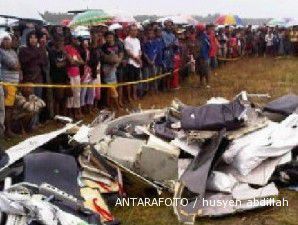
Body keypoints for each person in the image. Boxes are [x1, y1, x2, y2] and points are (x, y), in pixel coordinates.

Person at [19, 30, 45, 130]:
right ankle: (30, 125)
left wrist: (36, 57)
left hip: (39, 79)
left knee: (38, 101)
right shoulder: (23, 50)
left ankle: (36, 122)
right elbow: (24, 61)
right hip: (28, 79)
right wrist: (35, 56)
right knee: (30, 103)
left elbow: (43, 62)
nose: (33, 39)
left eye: (35, 37)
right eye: (31, 37)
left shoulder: (40, 49)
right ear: (27, 39)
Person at [0, 33, 20, 137]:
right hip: (6, 83)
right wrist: (15, 66)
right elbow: (13, 66)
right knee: (7, 108)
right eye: (5, 40)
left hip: (14, 83)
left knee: (11, 107)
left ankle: (9, 129)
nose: (7, 42)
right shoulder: (1, 52)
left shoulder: (13, 51)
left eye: (9, 40)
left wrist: (16, 66)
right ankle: (7, 131)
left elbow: (18, 65)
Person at [101, 31, 123, 110]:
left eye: (111, 37)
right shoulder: (103, 47)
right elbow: (104, 58)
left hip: (115, 67)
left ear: (113, 37)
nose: (109, 39)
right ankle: (116, 106)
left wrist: (117, 61)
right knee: (111, 88)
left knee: (113, 87)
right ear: (105, 38)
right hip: (107, 68)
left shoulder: (118, 44)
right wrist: (113, 59)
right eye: (107, 37)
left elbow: (120, 54)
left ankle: (110, 105)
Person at [64, 36, 84, 120]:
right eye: (75, 39)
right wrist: (76, 62)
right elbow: (71, 61)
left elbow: (82, 61)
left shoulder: (76, 50)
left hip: (77, 74)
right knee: (70, 94)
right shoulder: (67, 48)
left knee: (77, 94)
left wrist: (75, 62)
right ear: (72, 39)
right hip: (70, 74)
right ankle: (70, 113)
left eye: (77, 40)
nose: (77, 41)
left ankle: (76, 111)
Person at [48, 36, 69, 116]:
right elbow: (57, 65)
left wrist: (65, 55)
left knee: (65, 98)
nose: (61, 43)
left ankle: (64, 115)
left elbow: (70, 61)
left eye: (62, 42)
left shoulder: (63, 52)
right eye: (59, 41)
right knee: (58, 98)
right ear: (55, 42)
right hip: (57, 78)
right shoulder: (52, 52)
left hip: (65, 77)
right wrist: (65, 62)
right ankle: (57, 116)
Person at [124, 24, 142, 101]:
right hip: (130, 63)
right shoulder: (127, 40)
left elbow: (139, 51)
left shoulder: (137, 40)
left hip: (137, 63)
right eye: (133, 30)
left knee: (135, 81)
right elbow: (128, 52)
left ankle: (134, 94)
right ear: (129, 31)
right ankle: (129, 96)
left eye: (136, 30)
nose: (135, 32)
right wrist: (137, 60)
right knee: (129, 81)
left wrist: (139, 58)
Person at [79, 38, 94, 114]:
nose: (86, 44)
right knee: (83, 92)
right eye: (84, 43)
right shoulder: (80, 51)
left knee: (91, 92)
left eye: (87, 43)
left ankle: (89, 108)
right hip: (84, 74)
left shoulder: (90, 51)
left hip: (90, 73)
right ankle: (82, 108)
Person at [162, 19, 178, 90]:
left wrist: (175, 45)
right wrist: (172, 44)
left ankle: (168, 86)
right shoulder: (162, 34)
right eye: (168, 25)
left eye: (170, 25)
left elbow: (176, 45)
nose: (169, 27)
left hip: (171, 54)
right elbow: (166, 45)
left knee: (170, 71)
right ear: (165, 25)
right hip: (164, 54)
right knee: (164, 71)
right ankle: (164, 86)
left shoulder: (173, 35)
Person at [142, 27, 158, 94]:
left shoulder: (155, 42)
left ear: (154, 34)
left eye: (152, 33)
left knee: (154, 76)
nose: (150, 35)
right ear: (147, 34)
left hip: (153, 62)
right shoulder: (144, 43)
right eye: (149, 34)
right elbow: (144, 53)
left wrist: (153, 60)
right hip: (146, 63)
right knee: (146, 77)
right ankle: (146, 91)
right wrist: (148, 60)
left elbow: (155, 52)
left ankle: (154, 89)